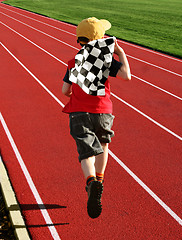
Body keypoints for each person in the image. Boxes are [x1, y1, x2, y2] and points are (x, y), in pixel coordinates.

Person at [61, 17, 131, 218]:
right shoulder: (105, 61)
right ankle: (99, 180)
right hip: (103, 111)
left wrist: (73, 93)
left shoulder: (73, 62)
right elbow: (127, 75)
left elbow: (65, 89)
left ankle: (90, 181)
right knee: (103, 145)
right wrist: (120, 52)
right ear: (101, 38)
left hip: (79, 112)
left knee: (85, 152)